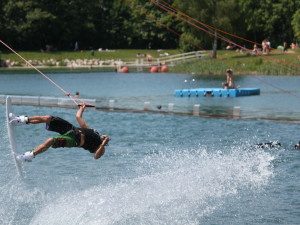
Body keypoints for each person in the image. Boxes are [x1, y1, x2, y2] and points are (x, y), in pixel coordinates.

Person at [9, 104, 110, 162]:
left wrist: (102, 144)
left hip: (74, 141)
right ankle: (21, 120)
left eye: (106, 139)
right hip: (72, 129)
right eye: (105, 137)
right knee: (48, 118)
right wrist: (81, 108)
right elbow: (78, 117)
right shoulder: (92, 131)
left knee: (51, 141)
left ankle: (27, 157)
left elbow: (97, 156)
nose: (106, 137)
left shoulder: (100, 147)